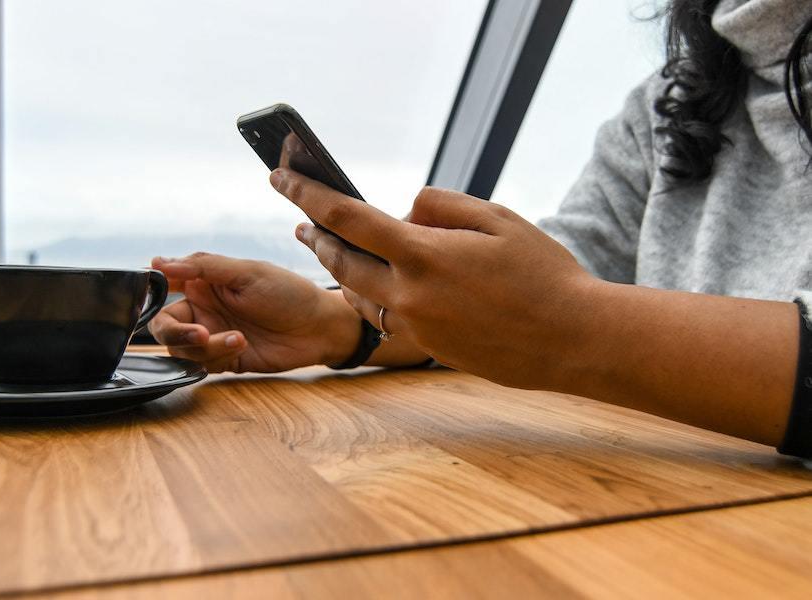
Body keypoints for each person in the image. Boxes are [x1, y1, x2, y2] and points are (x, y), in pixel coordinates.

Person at [149, 0, 812, 456]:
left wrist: (570, 324)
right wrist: (347, 325)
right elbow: (563, 280)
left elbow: (566, 312)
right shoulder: (667, 101)